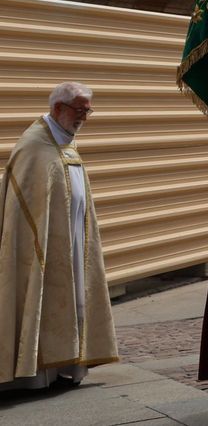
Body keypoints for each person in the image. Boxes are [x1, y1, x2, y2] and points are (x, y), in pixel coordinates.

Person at [0, 82, 118, 389]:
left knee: (77, 301)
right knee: (44, 303)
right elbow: (27, 205)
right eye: (79, 111)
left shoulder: (65, 138)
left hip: (74, 240)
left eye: (87, 111)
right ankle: (40, 376)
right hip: (44, 247)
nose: (84, 118)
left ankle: (70, 369)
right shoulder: (34, 144)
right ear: (58, 108)